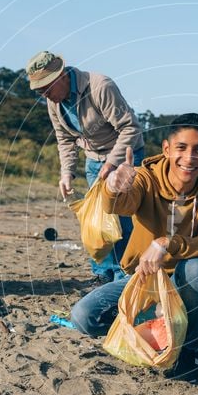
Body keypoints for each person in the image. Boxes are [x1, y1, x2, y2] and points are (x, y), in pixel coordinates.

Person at [70, 113, 198, 381]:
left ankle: (189, 350)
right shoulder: (146, 177)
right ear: (166, 149)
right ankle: (148, 328)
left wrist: (167, 244)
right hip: (140, 278)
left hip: (183, 284)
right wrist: (113, 187)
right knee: (83, 317)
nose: (189, 158)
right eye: (181, 148)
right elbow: (120, 204)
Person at [26, 51, 145, 284]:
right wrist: (67, 173)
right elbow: (65, 140)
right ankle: (103, 274)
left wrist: (112, 163)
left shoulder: (100, 86)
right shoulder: (53, 102)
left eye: (47, 89)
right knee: (96, 221)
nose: (45, 96)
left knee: (122, 219)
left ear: (61, 76)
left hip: (125, 156)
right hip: (94, 160)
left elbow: (130, 128)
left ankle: (124, 275)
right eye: (40, 92)